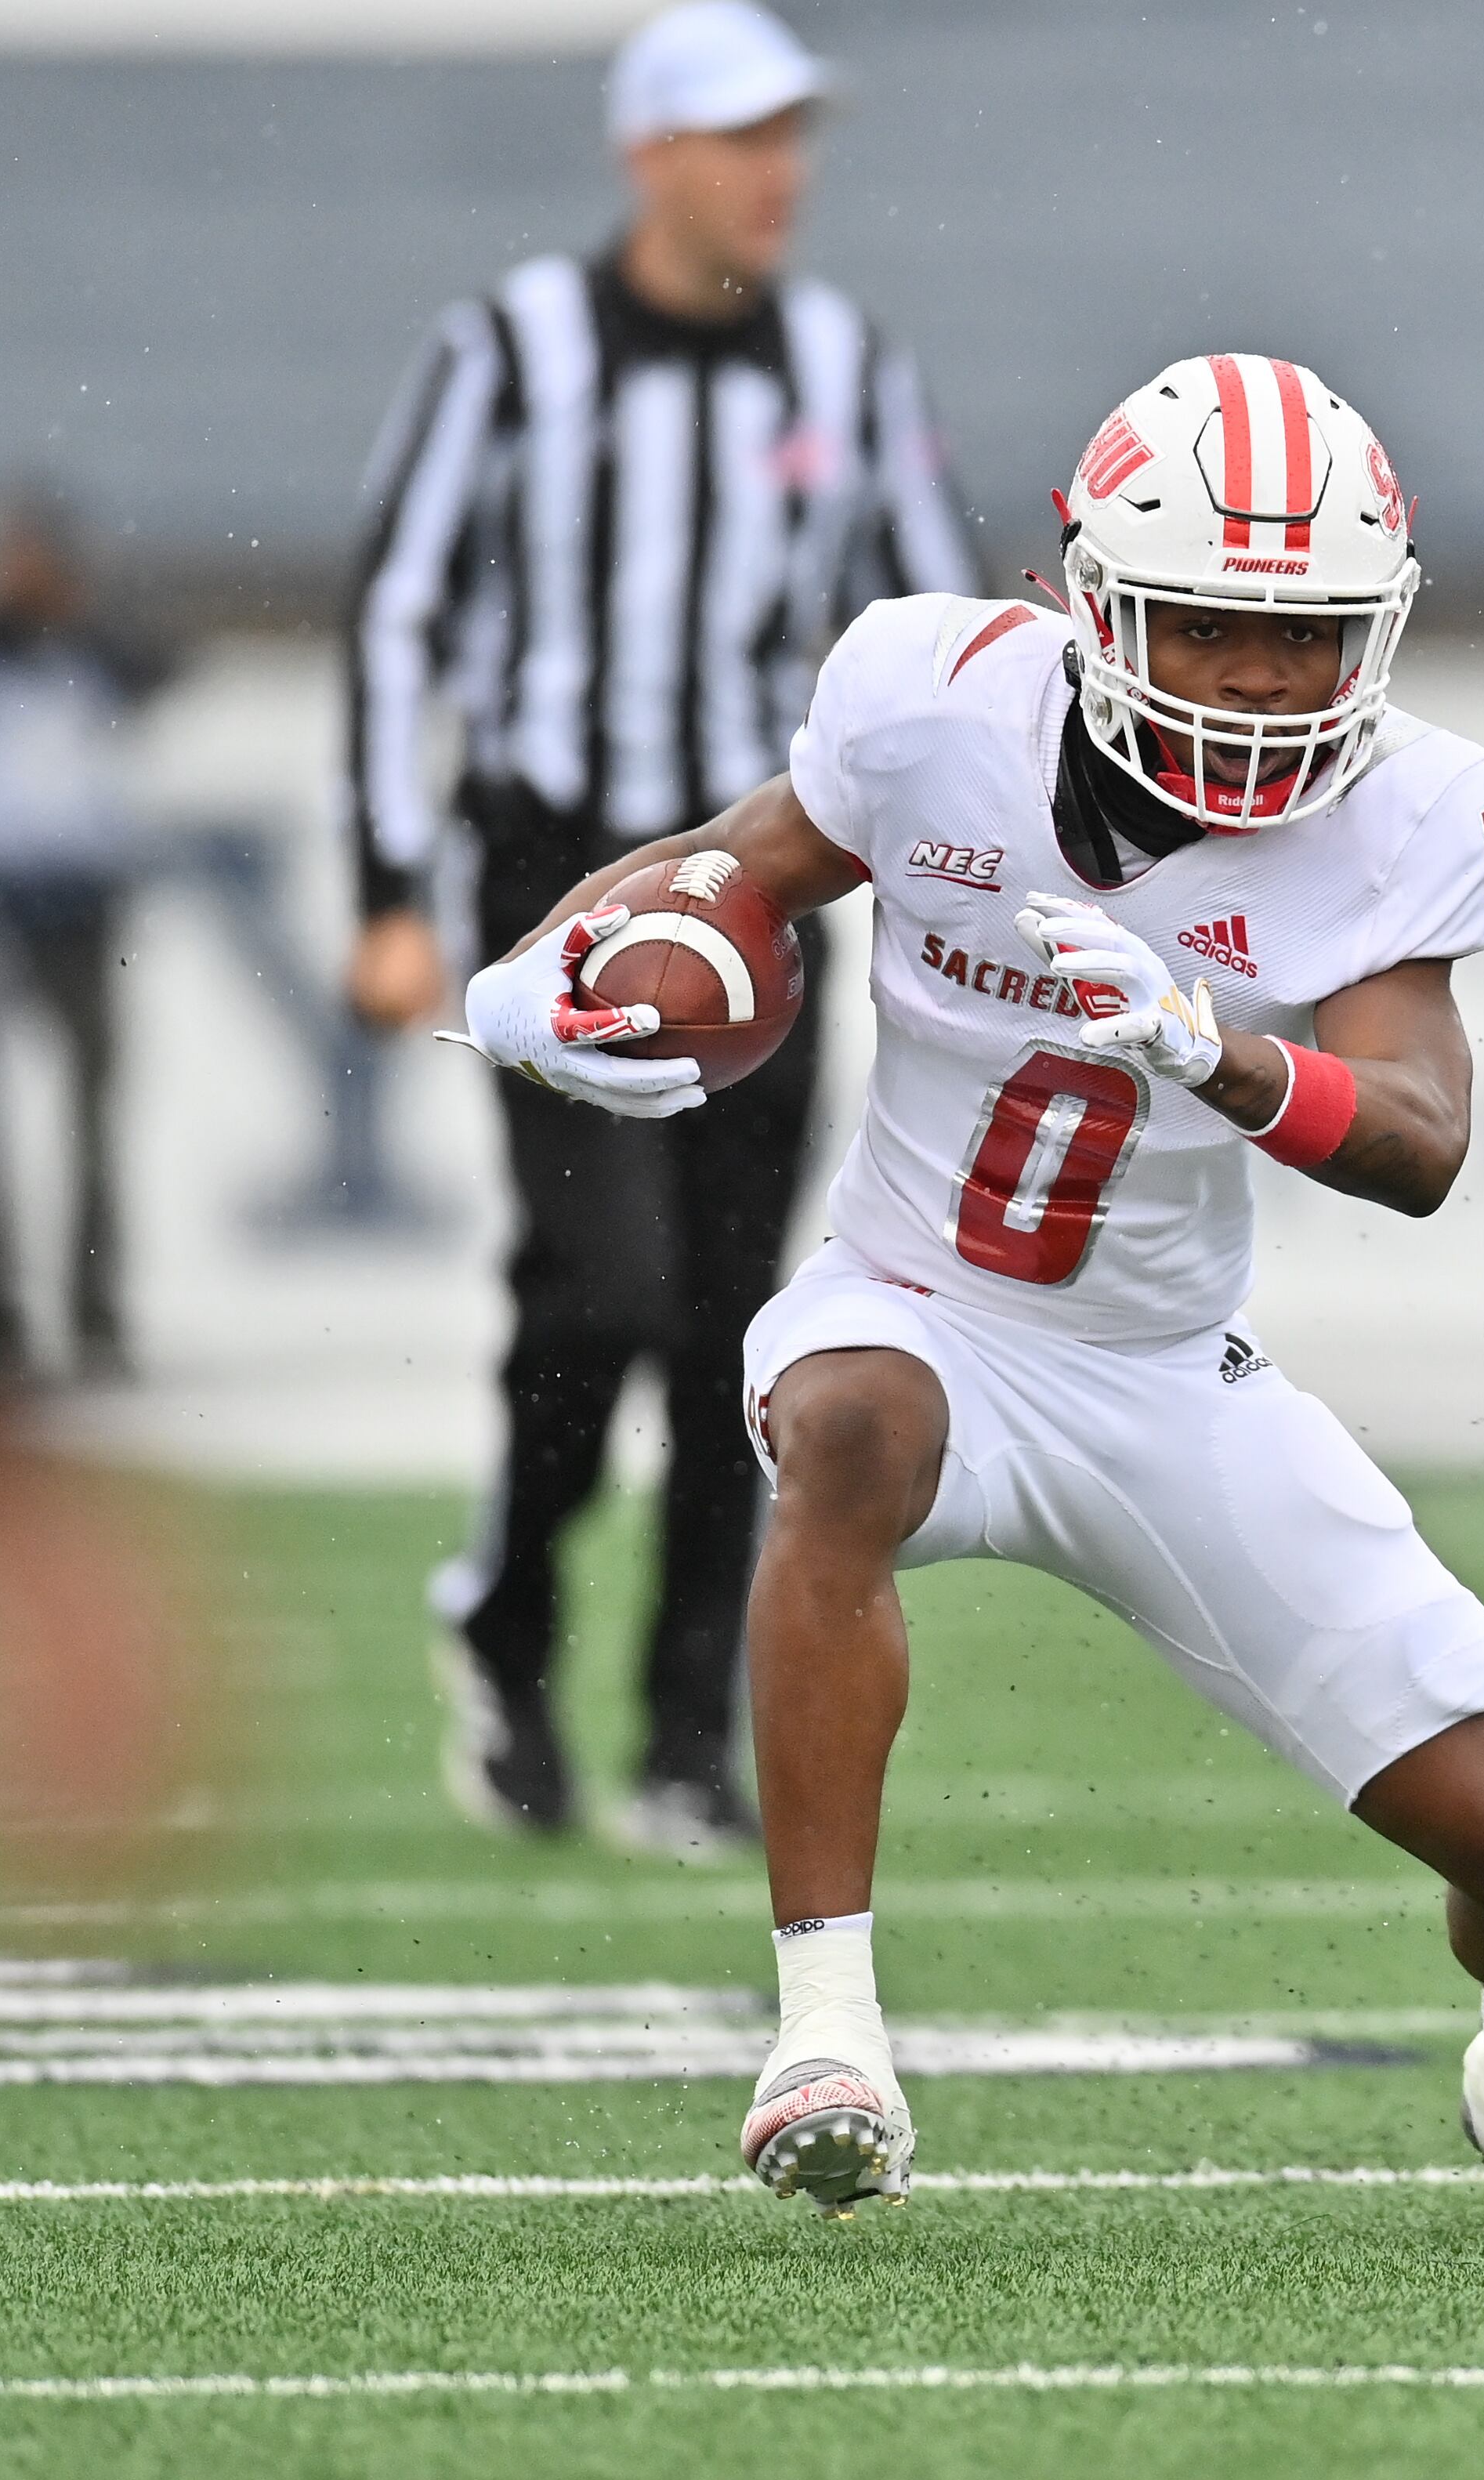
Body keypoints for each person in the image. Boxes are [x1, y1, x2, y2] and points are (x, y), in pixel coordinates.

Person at [443, 354, 1484, 2235]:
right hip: (912, 1297)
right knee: (845, 1428)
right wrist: (524, 986)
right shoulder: (929, 702)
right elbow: (735, 869)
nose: (1254, 677)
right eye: (1213, 625)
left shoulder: (1408, 810)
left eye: (1301, 637)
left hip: (1162, 1371)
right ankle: (824, 2030)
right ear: (1095, 604)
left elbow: (1416, 1138)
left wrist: (1221, 1057)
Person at [343, 2, 978, 1855]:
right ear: (652, 154)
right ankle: (508, 1624)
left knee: (739, 1326)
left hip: (764, 877)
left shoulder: (846, 367)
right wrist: (388, 883)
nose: (776, 172)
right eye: (739, 136)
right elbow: (397, 610)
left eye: (793, 135)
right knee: (598, 1289)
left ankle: (685, 1730)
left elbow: (932, 629)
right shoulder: (513, 354)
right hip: (558, 873)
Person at [0, 487, 164, 1384]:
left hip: (80, 901)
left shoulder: (89, 651)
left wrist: (70, 614)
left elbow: (158, 666)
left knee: (91, 1116)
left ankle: (95, 1310)